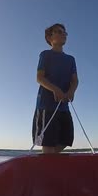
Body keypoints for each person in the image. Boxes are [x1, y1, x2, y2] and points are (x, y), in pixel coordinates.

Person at [32, 23, 79, 154]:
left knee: (66, 139)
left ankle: (47, 160)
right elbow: (39, 78)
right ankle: (45, 166)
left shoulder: (70, 59)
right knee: (48, 142)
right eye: (59, 32)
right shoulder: (45, 55)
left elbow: (75, 80)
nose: (63, 34)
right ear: (49, 37)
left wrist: (71, 91)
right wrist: (55, 89)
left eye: (65, 32)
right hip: (46, 106)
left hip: (64, 106)